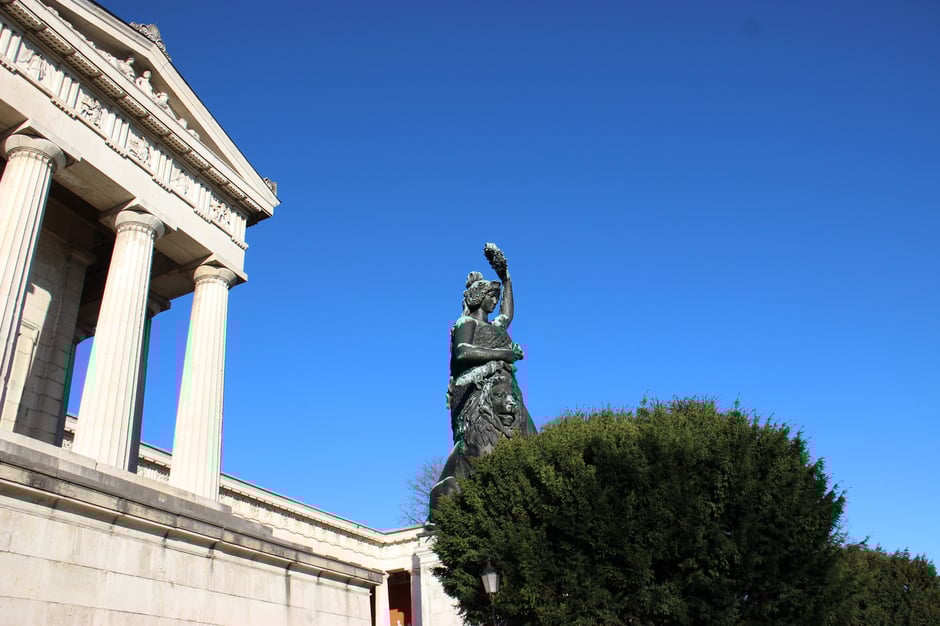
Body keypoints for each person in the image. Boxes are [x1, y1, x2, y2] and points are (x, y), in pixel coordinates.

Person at [428, 245, 536, 521]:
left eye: (497, 296)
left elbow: (507, 314)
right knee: (477, 440)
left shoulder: (496, 326)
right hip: (477, 393)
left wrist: (506, 278)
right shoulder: (466, 323)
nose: (495, 300)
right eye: (491, 295)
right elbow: (462, 351)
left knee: (533, 439)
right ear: (478, 297)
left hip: (506, 390)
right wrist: (503, 354)